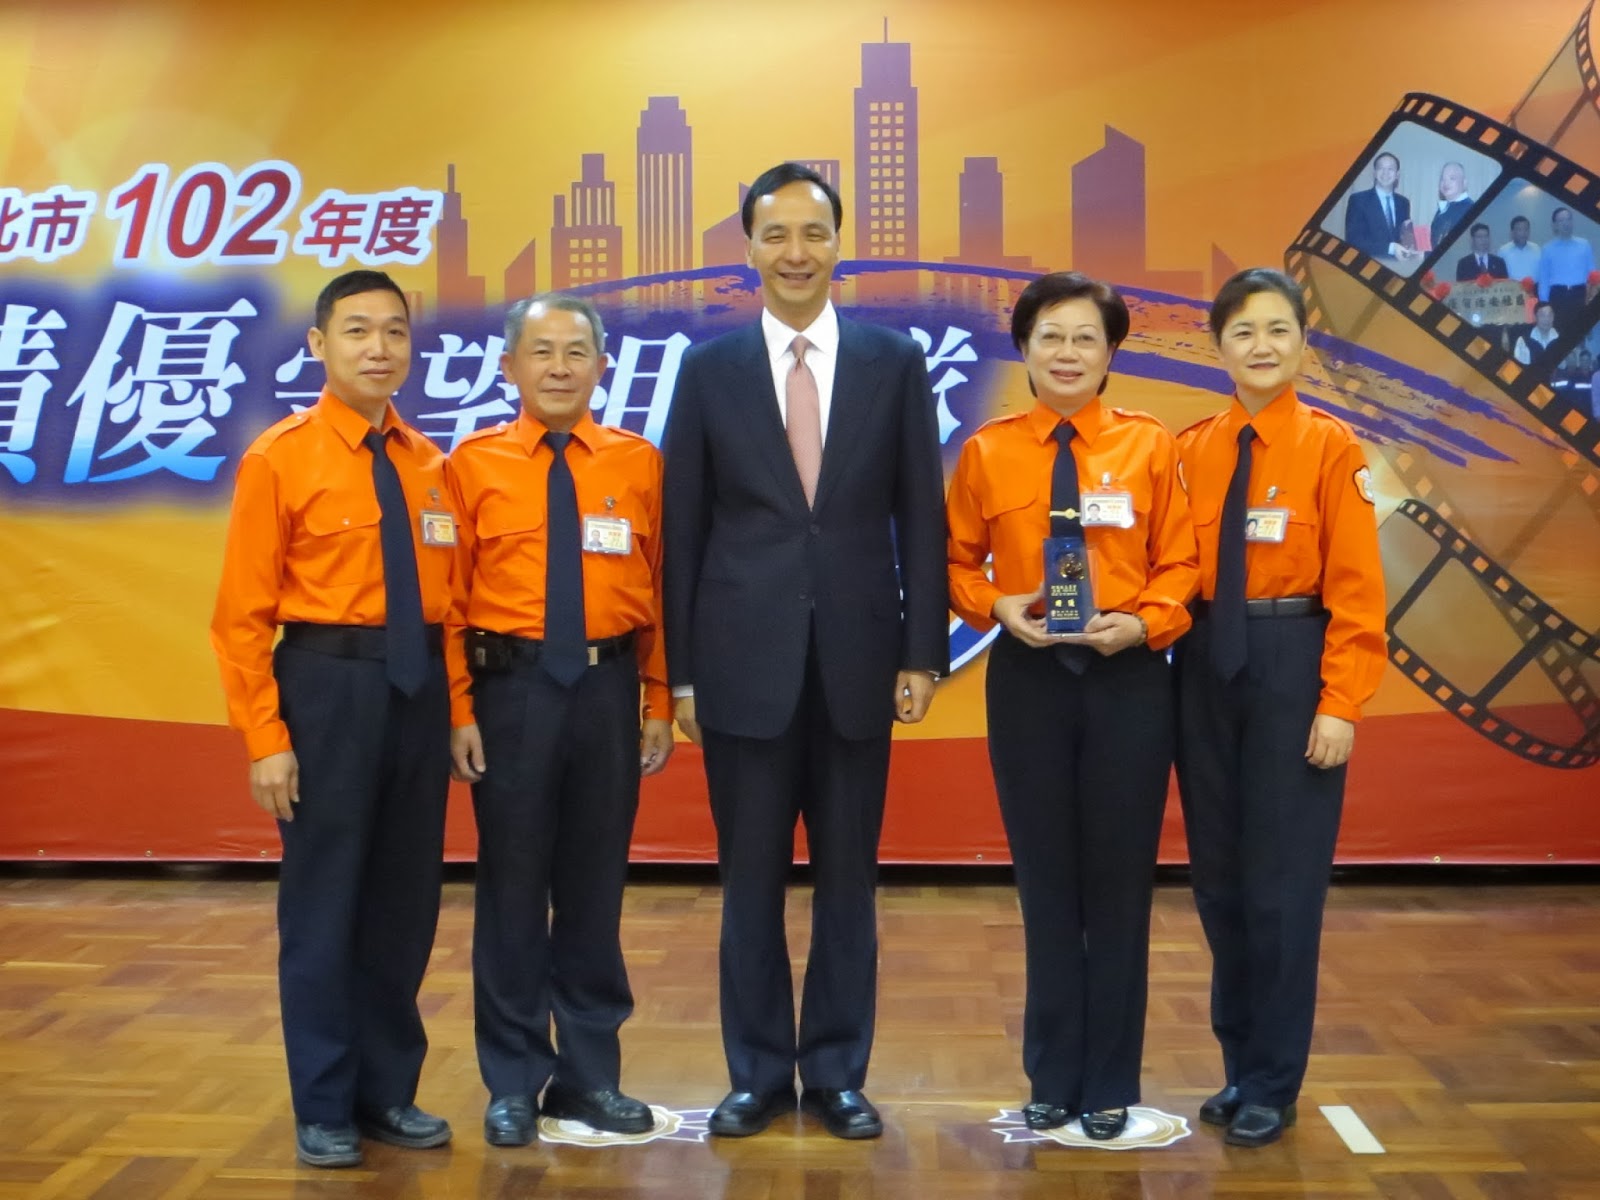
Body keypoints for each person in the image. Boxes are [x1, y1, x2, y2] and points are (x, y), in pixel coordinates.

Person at [662, 161, 948, 1141]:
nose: (795, 252)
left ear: (838, 244)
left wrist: (922, 654)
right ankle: (754, 1074)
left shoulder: (891, 361)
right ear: (748, 247)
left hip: (860, 663)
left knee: (847, 885)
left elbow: (921, 514)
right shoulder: (708, 370)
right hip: (740, 667)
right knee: (748, 886)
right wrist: (681, 675)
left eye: (813, 233)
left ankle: (834, 1073)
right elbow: (683, 529)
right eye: (775, 234)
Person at [210, 270, 466, 1169]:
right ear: (319, 345)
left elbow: (452, 606)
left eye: (395, 331)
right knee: (324, 904)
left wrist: (456, 709)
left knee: (404, 902)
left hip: (417, 693)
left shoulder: (430, 464)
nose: (378, 348)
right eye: (357, 330)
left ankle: (387, 1092)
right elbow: (240, 618)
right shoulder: (279, 457)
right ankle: (323, 1103)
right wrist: (267, 740)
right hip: (325, 689)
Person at [945, 272, 1198, 1141]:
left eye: (1085, 337)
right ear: (1024, 348)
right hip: (1029, 680)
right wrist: (994, 607)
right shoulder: (988, 452)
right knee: (1045, 883)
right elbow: (955, 560)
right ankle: (1052, 1075)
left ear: (1110, 351)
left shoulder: (1148, 444)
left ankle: (1111, 1081)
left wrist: (1146, 622)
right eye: (1050, 336)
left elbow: (1182, 563)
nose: (1066, 353)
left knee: (1120, 886)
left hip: (1129, 681)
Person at [446, 294, 673, 1146]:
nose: (559, 368)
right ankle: (512, 1081)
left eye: (576, 352)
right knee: (511, 888)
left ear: (602, 367)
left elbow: (660, 590)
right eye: (540, 352)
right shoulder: (471, 465)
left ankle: (588, 1079)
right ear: (510, 366)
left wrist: (658, 699)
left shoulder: (638, 463)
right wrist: (458, 709)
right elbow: (448, 603)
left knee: (593, 886)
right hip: (509, 694)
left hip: (608, 691)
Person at [1173, 268, 1386, 1149]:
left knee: (1282, 889)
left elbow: (1358, 592)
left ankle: (1273, 1081)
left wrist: (1340, 704)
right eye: (1243, 332)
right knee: (1219, 882)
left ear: (1303, 342)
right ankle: (1237, 1065)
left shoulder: (1332, 447)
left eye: (1278, 330)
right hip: (1201, 665)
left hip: (1293, 663)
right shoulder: (1191, 448)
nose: (1261, 346)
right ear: (1218, 346)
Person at [1342, 152, 1417, 263]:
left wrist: (1412, 244)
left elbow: (1404, 237)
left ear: (1397, 174)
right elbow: (1353, 241)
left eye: (1390, 169)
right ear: (1375, 173)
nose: (1385, 173)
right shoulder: (1358, 200)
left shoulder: (1403, 202)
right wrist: (1391, 248)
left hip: (1398, 266)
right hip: (1368, 264)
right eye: (1381, 168)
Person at [1537, 207, 1594, 338]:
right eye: (1561, 220)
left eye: (1568, 219)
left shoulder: (1584, 244)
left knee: (1580, 334)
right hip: (1558, 296)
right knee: (1559, 334)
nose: (1566, 223)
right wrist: (1544, 304)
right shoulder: (1547, 248)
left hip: (1580, 294)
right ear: (1555, 225)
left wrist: (1591, 299)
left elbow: (1593, 274)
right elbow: (1544, 279)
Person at [1513, 302, 1562, 371]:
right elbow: (1518, 368)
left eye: (1550, 315)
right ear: (1535, 317)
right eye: (1542, 315)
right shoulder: (1524, 341)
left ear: (1554, 317)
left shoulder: (1561, 339)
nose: (1547, 319)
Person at [1499, 215, 1541, 282]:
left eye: (1526, 229)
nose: (1523, 233)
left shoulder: (1537, 248)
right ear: (1512, 232)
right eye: (1519, 230)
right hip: (1511, 287)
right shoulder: (1503, 251)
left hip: (1534, 287)